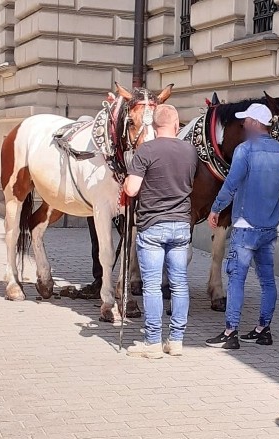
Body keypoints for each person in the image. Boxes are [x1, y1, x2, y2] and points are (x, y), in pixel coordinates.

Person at [205, 103, 279, 350]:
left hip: (246, 227)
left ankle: (230, 332)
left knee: (236, 278)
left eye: (246, 121)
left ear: (255, 123)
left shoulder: (245, 150)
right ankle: (263, 330)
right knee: (267, 281)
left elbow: (231, 184)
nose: (244, 125)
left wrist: (215, 209)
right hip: (269, 227)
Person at [123, 104, 197, 359]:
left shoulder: (147, 150)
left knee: (152, 286)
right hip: (181, 226)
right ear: (177, 125)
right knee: (179, 285)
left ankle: (153, 342)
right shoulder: (190, 151)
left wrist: (126, 178)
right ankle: (176, 341)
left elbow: (132, 189)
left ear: (154, 127)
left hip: (153, 225)